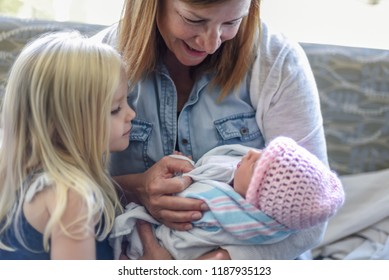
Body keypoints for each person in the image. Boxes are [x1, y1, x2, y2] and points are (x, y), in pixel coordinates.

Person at [95, 0, 328, 259]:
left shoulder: (277, 61)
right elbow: (61, 186)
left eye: (231, 22)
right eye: (194, 20)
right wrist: (135, 188)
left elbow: (314, 217)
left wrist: (217, 263)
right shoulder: (92, 63)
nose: (211, 44)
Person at [0, 31, 171, 260]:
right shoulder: (71, 197)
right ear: (62, 124)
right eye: (115, 109)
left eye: (126, 101)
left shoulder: (18, 180)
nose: (131, 114)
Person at [110, 137, 345, 259]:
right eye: (262, 153)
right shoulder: (237, 178)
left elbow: (188, 196)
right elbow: (210, 169)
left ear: (254, 204)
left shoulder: (225, 209)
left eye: (256, 168)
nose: (251, 152)